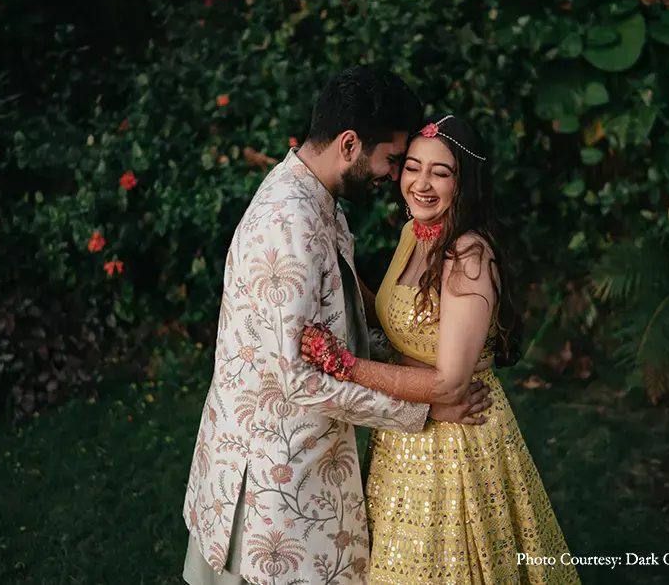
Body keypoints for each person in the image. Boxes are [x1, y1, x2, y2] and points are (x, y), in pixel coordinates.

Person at [182, 67, 495, 585]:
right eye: (393, 159)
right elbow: (302, 380)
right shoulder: (291, 224)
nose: (395, 176)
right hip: (273, 488)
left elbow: (338, 321)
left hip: (296, 466)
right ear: (350, 144)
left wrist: (412, 360)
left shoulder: (314, 196)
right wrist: (423, 408)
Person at [300, 114, 582, 584]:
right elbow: (393, 311)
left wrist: (345, 365)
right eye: (412, 167)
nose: (421, 184)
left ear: (465, 183)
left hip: (457, 436)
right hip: (405, 429)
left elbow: (450, 384)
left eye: (440, 173)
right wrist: (329, 269)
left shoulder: (468, 258)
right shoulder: (413, 233)